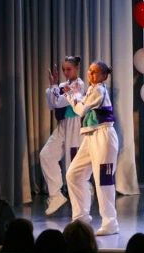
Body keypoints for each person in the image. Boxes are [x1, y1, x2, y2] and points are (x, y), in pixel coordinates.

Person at [65, 61, 120, 236]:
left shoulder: (99, 90)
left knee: (103, 180)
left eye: (95, 72)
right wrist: (73, 94)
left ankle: (110, 223)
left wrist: (71, 95)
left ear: (104, 76)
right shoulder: (91, 89)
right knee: (74, 175)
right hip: (90, 136)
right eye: (89, 71)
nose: (90, 74)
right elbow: (81, 104)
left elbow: (81, 110)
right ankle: (81, 216)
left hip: (104, 136)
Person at [40, 55, 85, 216]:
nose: (66, 72)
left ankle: (80, 203)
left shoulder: (79, 85)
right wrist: (53, 85)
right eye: (64, 69)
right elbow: (52, 104)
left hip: (75, 126)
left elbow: (59, 102)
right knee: (46, 155)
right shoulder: (62, 85)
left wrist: (55, 89)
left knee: (72, 166)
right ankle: (56, 195)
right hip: (63, 125)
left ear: (77, 68)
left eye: (69, 69)